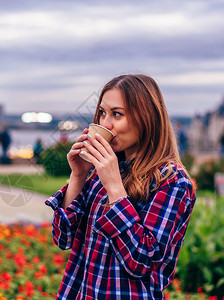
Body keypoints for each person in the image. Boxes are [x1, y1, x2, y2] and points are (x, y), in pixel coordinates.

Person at [45, 74, 196, 299]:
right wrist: (78, 175)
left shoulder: (172, 182)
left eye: (117, 114)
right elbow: (63, 236)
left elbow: (141, 260)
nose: (105, 124)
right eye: (102, 113)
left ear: (147, 118)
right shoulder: (99, 174)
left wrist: (115, 186)